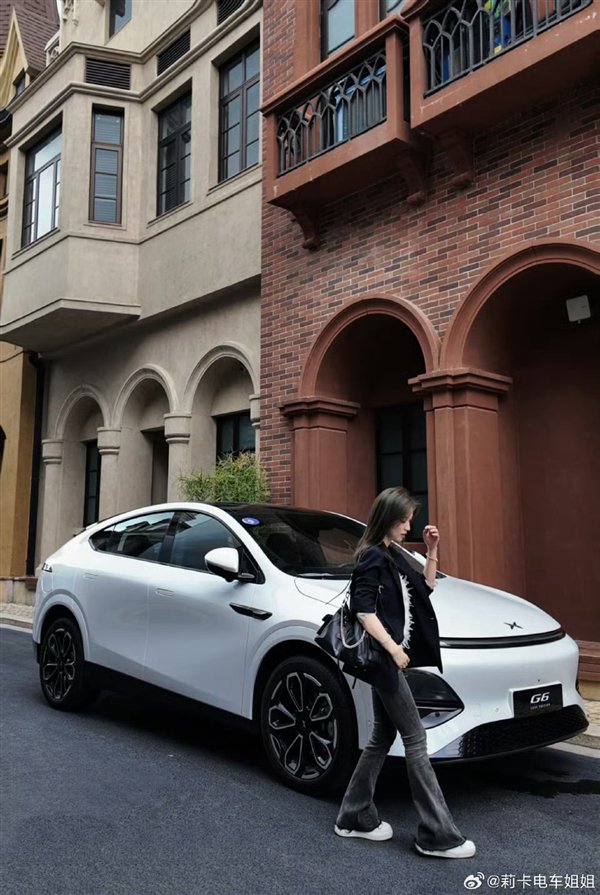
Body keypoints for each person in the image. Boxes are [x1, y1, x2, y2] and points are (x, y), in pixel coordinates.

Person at [334, 486, 476, 859]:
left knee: (382, 737)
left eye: (410, 520)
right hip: (384, 661)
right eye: (403, 520)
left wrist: (431, 550)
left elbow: (425, 588)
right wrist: (394, 649)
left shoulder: (393, 553)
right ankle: (437, 834)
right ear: (387, 519)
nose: (408, 526)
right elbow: (363, 610)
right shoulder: (372, 556)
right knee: (415, 738)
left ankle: (353, 815)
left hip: (387, 661)